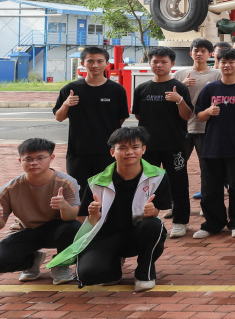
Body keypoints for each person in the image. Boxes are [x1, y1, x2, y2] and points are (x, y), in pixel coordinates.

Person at [48, 127, 166, 291]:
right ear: (112, 152)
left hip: (137, 234)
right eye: (122, 148)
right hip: (106, 236)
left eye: (135, 147)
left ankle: (144, 273)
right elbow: (83, 220)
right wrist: (93, 215)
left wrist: (152, 211)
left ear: (143, 150)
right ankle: (113, 266)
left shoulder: (158, 176)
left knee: (154, 225)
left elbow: (157, 210)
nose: (129, 152)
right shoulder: (96, 182)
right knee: (89, 275)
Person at [0, 138, 81, 284]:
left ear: (51, 158)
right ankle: (31, 261)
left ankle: (61, 265)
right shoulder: (10, 188)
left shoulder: (67, 182)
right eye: (28, 159)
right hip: (25, 231)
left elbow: (71, 217)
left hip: (56, 230)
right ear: (20, 161)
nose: (34, 163)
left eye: (40, 158)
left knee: (74, 228)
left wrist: (64, 206)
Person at [192, 48, 235, 239]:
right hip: (212, 146)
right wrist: (208, 112)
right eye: (223, 62)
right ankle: (212, 223)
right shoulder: (210, 88)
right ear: (218, 64)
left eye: (231, 62)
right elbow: (199, 115)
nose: (227, 65)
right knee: (210, 188)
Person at [52, 46, 128, 209]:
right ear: (82, 63)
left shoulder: (117, 90)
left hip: (108, 151)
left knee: (107, 190)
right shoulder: (71, 89)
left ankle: (106, 221)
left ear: (106, 63)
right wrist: (66, 104)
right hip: (79, 150)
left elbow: (120, 119)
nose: (95, 65)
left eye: (100, 61)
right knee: (80, 192)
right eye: (90, 61)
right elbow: (59, 117)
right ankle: (82, 222)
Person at [131, 47, 192, 236]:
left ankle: (180, 221)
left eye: (164, 62)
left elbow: (187, 115)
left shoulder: (179, 87)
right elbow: (138, 115)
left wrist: (179, 100)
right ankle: (147, 216)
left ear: (172, 64)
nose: (159, 65)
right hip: (148, 146)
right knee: (146, 182)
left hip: (174, 144)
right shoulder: (142, 88)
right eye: (155, 61)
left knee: (178, 183)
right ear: (149, 63)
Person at [181, 37, 220, 206]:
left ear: (210, 54)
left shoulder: (217, 74)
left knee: (207, 169)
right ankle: (178, 204)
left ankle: (207, 203)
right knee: (178, 167)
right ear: (190, 53)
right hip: (183, 128)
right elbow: (169, 97)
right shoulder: (180, 74)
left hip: (207, 128)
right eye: (196, 50)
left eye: (203, 51)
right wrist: (182, 85)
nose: (199, 54)